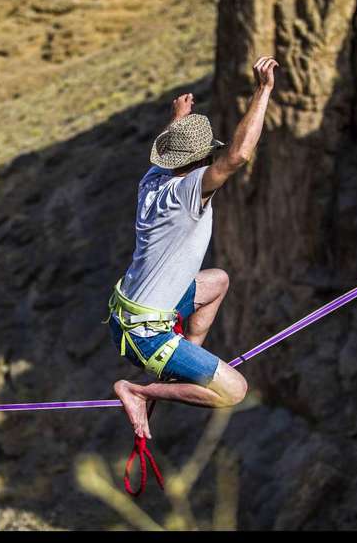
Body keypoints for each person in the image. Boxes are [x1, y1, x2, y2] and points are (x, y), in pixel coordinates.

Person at [106, 56, 279, 440]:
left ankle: (178, 360)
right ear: (202, 160)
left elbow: (173, 150)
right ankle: (138, 390)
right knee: (234, 391)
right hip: (145, 335)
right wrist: (263, 91)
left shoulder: (153, 179)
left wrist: (178, 119)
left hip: (129, 314)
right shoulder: (189, 193)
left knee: (216, 281)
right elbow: (238, 155)